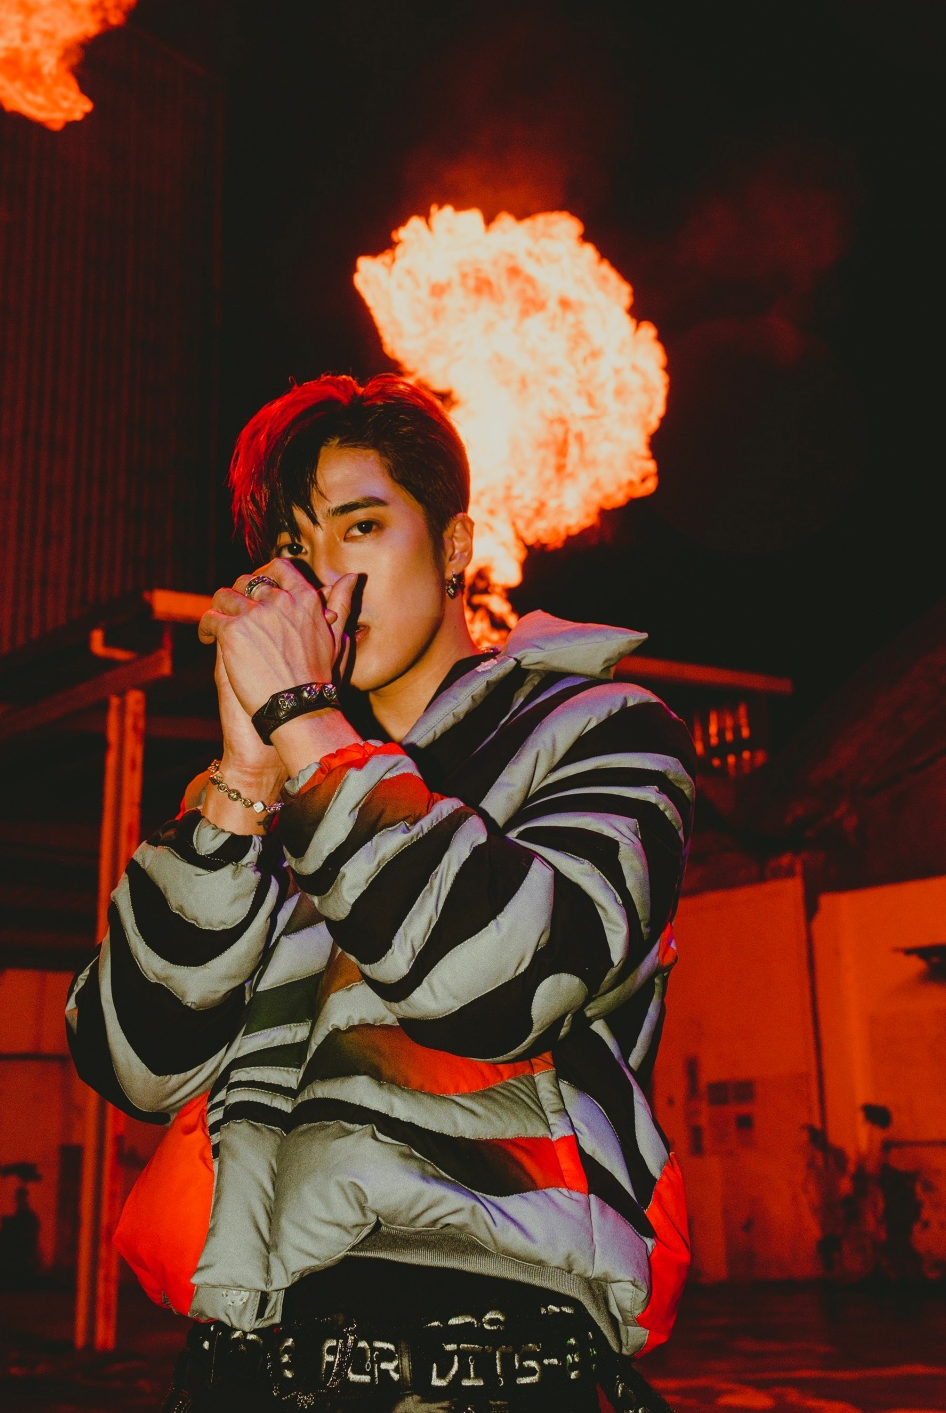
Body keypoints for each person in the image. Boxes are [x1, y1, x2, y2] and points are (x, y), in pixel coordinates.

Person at [67, 374, 695, 1412]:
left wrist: (307, 724)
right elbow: (129, 1059)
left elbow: (500, 985)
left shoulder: (602, 730)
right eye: (297, 548)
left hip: (492, 1361)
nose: (326, 580)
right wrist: (242, 781)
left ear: (454, 547)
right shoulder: (271, 785)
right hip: (252, 1362)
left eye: (361, 527)